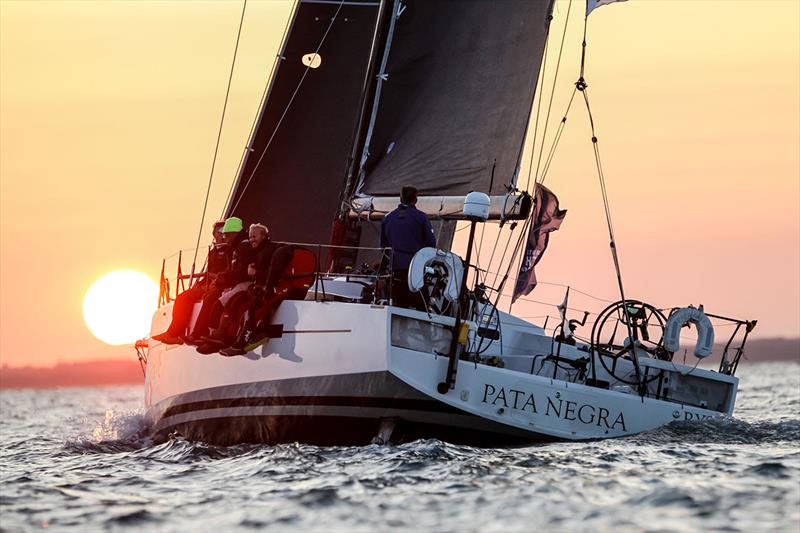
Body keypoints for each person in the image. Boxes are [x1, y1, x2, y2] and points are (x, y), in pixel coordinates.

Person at [196, 223, 277, 353]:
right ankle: (219, 336)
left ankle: (227, 337)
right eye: (250, 237)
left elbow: (267, 273)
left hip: (259, 287)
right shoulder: (254, 249)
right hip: (253, 286)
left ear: (264, 236)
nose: (252, 240)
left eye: (254, 237)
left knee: (236, 303)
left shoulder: (264, 249)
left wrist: (254, 274)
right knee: (233, 302)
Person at [152, 220, 228, 344]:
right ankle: (174, 332)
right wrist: (200, 283)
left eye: (224, 231)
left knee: (205, 299)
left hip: (219, 285)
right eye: (218, 231)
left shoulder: (230, 250)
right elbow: (209, 271)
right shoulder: (213, 251)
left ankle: (194, 334)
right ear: (214, 234)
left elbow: (226, 272)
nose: (221, 234)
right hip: (208, 283)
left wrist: (212, 281)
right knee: (182, 297)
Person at [184, 216, 251, 344]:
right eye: (222, 234)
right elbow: (232, 270)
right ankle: (205, 334)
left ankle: (214, 335)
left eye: (227, 234)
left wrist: (220, 280)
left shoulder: (241, 248)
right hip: (231, 283)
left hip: (242, 284)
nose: (225, 237)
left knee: (218, 301)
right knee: (208, 298)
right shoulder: (235, 247)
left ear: (234, 233)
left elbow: (239, 272)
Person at [380, 185, 436, 308]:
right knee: (422, 306)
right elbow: (431, 244)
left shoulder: (387, 218)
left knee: (397, 303)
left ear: (400, 198)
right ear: (415, 200)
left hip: (394, 269)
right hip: (415, 269)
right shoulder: (422, 217)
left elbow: (383, 247)